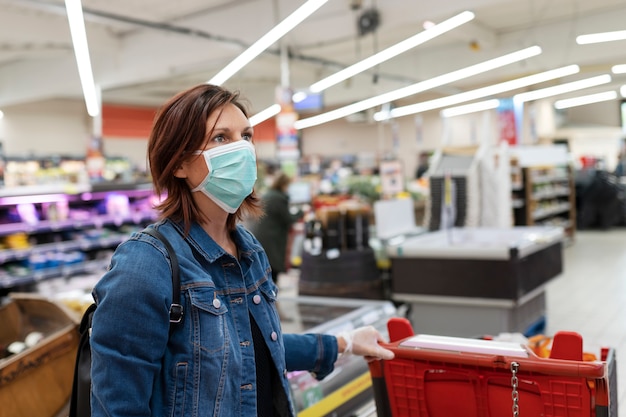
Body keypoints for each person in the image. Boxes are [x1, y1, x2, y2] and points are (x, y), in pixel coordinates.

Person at [89, 84, 394, 417]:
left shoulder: (248, 249)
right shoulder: (146, 265)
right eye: (221, 138)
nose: (243, 149)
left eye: (246, 136)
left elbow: (251, 346)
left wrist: (343, 344)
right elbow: (117, 406)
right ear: (178, 163)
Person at [249, 171, 303, 286]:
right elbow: (288, 218)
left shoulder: (270, 194)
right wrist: (300, 212)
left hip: (264, 237)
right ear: (284, 184)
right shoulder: (278, 198)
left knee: (265, 268)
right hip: (272, 239)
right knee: (273, 268)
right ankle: (273, 299)